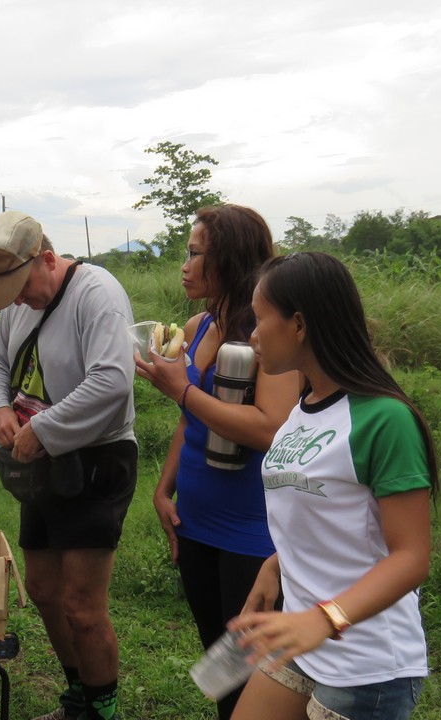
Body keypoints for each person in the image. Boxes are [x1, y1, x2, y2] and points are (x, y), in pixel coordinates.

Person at [230, 251, 437, 720]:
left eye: (259, 319)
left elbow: (411, 557)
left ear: (299, 324)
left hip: (366, 664)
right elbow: (329, 512)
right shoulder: (302, 412)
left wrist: (325, 619)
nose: (252, 335)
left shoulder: (384, 419)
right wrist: (275, 566)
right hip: (301, 636)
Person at [132, 205, 300, 719]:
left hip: (251, 527)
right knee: (219, 657)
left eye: (195, 253)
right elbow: (192, 420)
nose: (184, 265)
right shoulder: (198, 326)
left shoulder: (264, 337)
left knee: (253, 670)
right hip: (197, 519)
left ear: (228, 259)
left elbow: (271, 427)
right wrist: (164, 489)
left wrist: (181, 389)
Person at [0, 211, 138, 720]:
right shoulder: (20, 303)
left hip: (96, 460)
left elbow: (112, 382)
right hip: (42, 463)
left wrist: (41, 431)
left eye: (22, 288)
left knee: (82, 607)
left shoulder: (97, 294)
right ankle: (78, 698)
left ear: (47, 258)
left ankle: (101, 711)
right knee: (45, 591)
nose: (19, 301)